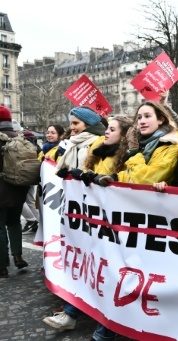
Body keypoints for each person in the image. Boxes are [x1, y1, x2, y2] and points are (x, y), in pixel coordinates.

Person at [44, 116, 133, 340]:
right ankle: (72, 313)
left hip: (117, 225)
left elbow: (124, 181)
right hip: (97, 223)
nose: (106, 132)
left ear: (123, 135)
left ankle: (103, 331)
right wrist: (81, 176)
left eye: (112, 129)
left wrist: (98, 179)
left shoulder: (129, 156)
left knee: (111, 274)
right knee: (91, 267)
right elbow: (89, 173)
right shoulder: (99, 150)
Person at [95, 101, 178, 186]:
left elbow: (144, 179)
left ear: (160, 120)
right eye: (139, 118)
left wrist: (134, 152)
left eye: (147, 116)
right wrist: (114, 178)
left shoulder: (171, 146)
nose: (142, 121)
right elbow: (131, 175)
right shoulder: (141, 144)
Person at [0, 106, 29, 278]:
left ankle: (2, 265)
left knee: (0, 227)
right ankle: (18, 256)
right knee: (15, 223)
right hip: (19, 189)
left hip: (1, 190)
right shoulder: (20, 137)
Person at [55, 107, 105, 174]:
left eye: (75, 123)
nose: (72, 127)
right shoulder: (74, 143)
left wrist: (85, 175)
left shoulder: (100, 142)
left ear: (88, 124)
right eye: (71, 124)